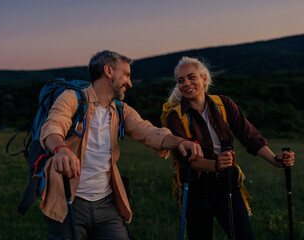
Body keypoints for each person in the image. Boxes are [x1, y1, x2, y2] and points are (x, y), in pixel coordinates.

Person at [38, 50, 203, 240]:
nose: (130, 83)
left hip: (107, 204)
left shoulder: (120, 110)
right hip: (68, 202)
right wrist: (61, 150)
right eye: (126, 75)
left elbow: (149, 132)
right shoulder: (73, 99)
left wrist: (180, 141)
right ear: (108, 71)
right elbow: (52, 127)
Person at [166, 56, 295, 240]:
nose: (186, 83)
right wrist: (215, 164)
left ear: (204, 78)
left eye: (191, 77)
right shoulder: (175, 117)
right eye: (180, 80)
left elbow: (250, 137)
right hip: (196, 189)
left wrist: (276, 160)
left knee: (244, 237)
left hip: (227, 183)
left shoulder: (223, 104)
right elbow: (185, 160)